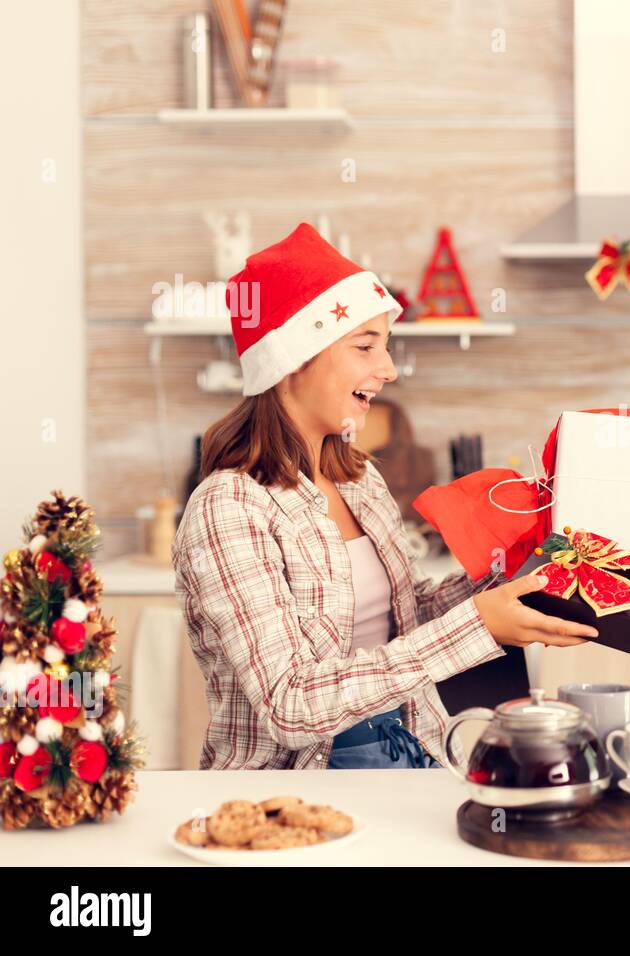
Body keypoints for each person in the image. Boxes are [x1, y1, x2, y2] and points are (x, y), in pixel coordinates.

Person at [173, 223, 595, 771]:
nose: (388, 369)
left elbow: (404, 616)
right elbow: (290, 704)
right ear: (294, 360)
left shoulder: (359, 481)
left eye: (386, 347)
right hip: (290, 799)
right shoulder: (228, 507)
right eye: (365, 345)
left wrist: (509, 576)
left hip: (407, 761)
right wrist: (479, 626)